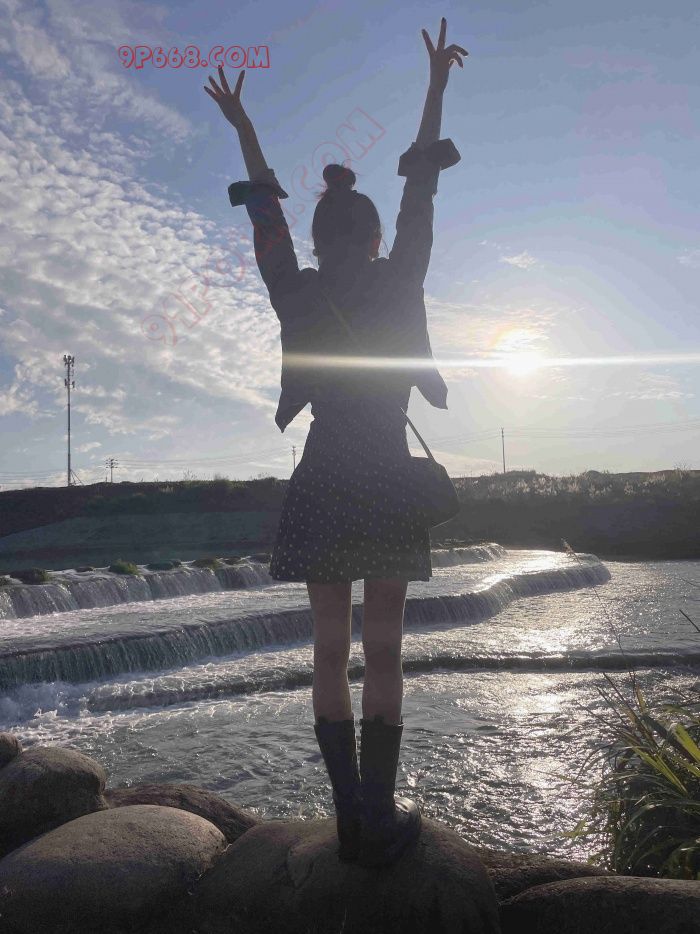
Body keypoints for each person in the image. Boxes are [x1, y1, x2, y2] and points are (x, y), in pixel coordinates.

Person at [205, 16, 467, 868]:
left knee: (327, 650)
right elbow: (421, 190)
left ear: (318, 240)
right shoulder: (400, 278)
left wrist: (246, 129)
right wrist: (434, 88)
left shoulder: (298, 291)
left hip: (322, 474)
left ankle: (350, 819)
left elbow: (265, 219)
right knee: (384, 648)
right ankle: (378, 817)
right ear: (376, 237)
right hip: (387, 473)